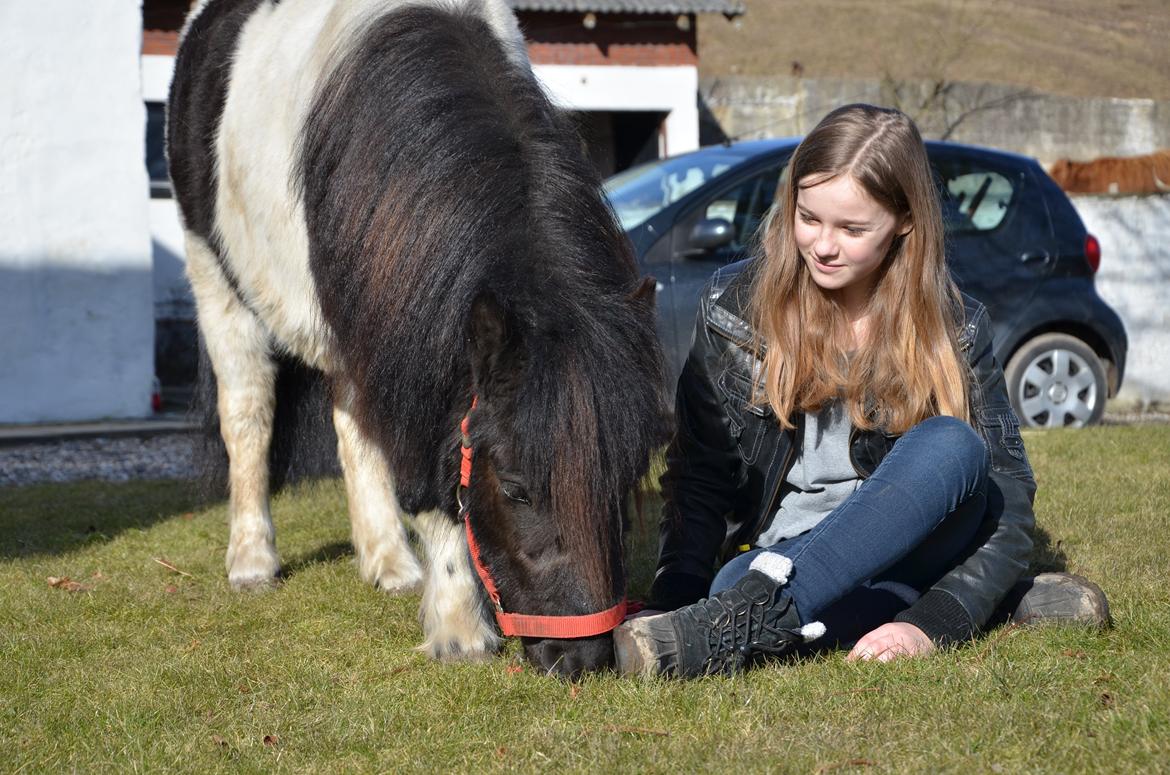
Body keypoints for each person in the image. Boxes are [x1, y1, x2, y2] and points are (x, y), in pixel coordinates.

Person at [614, 104, 1107, 679]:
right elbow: (697, 477)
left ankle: (743, 624)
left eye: (851, 229)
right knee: (732, 584)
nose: (822, 245)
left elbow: (1007, 502)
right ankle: (999, 602)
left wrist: (933, 623)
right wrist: (674, 603)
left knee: (952, 445)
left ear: (903, 222)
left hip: (914, 544)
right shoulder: (733, 309)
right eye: (808, 218)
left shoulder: (956, 327)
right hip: (782, 561)